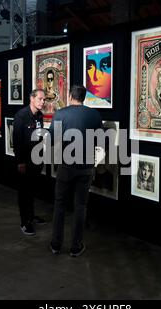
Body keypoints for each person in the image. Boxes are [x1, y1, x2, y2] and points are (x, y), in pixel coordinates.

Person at [49, 85, 102, 257]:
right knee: (80, 207)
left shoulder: (61, 114)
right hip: (85, 167)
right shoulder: (94, 115)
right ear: (84, 97)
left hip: (66, 166)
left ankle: (56, 245)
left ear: (70, 96)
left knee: (60, 205)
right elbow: (101, 141)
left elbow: (51, 139)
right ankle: (76, 247)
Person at [13, 89, 47, 236]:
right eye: (40, 99)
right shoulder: (21, 115)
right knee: (24, 192)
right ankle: (24, 222)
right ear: (31, 98)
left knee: (32, 189)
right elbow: (17, 139)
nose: (42, 102)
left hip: (36, 160)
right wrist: (20, 162)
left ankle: (31, 216)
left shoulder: (39, 115)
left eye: (44, 99)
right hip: (25, 161)